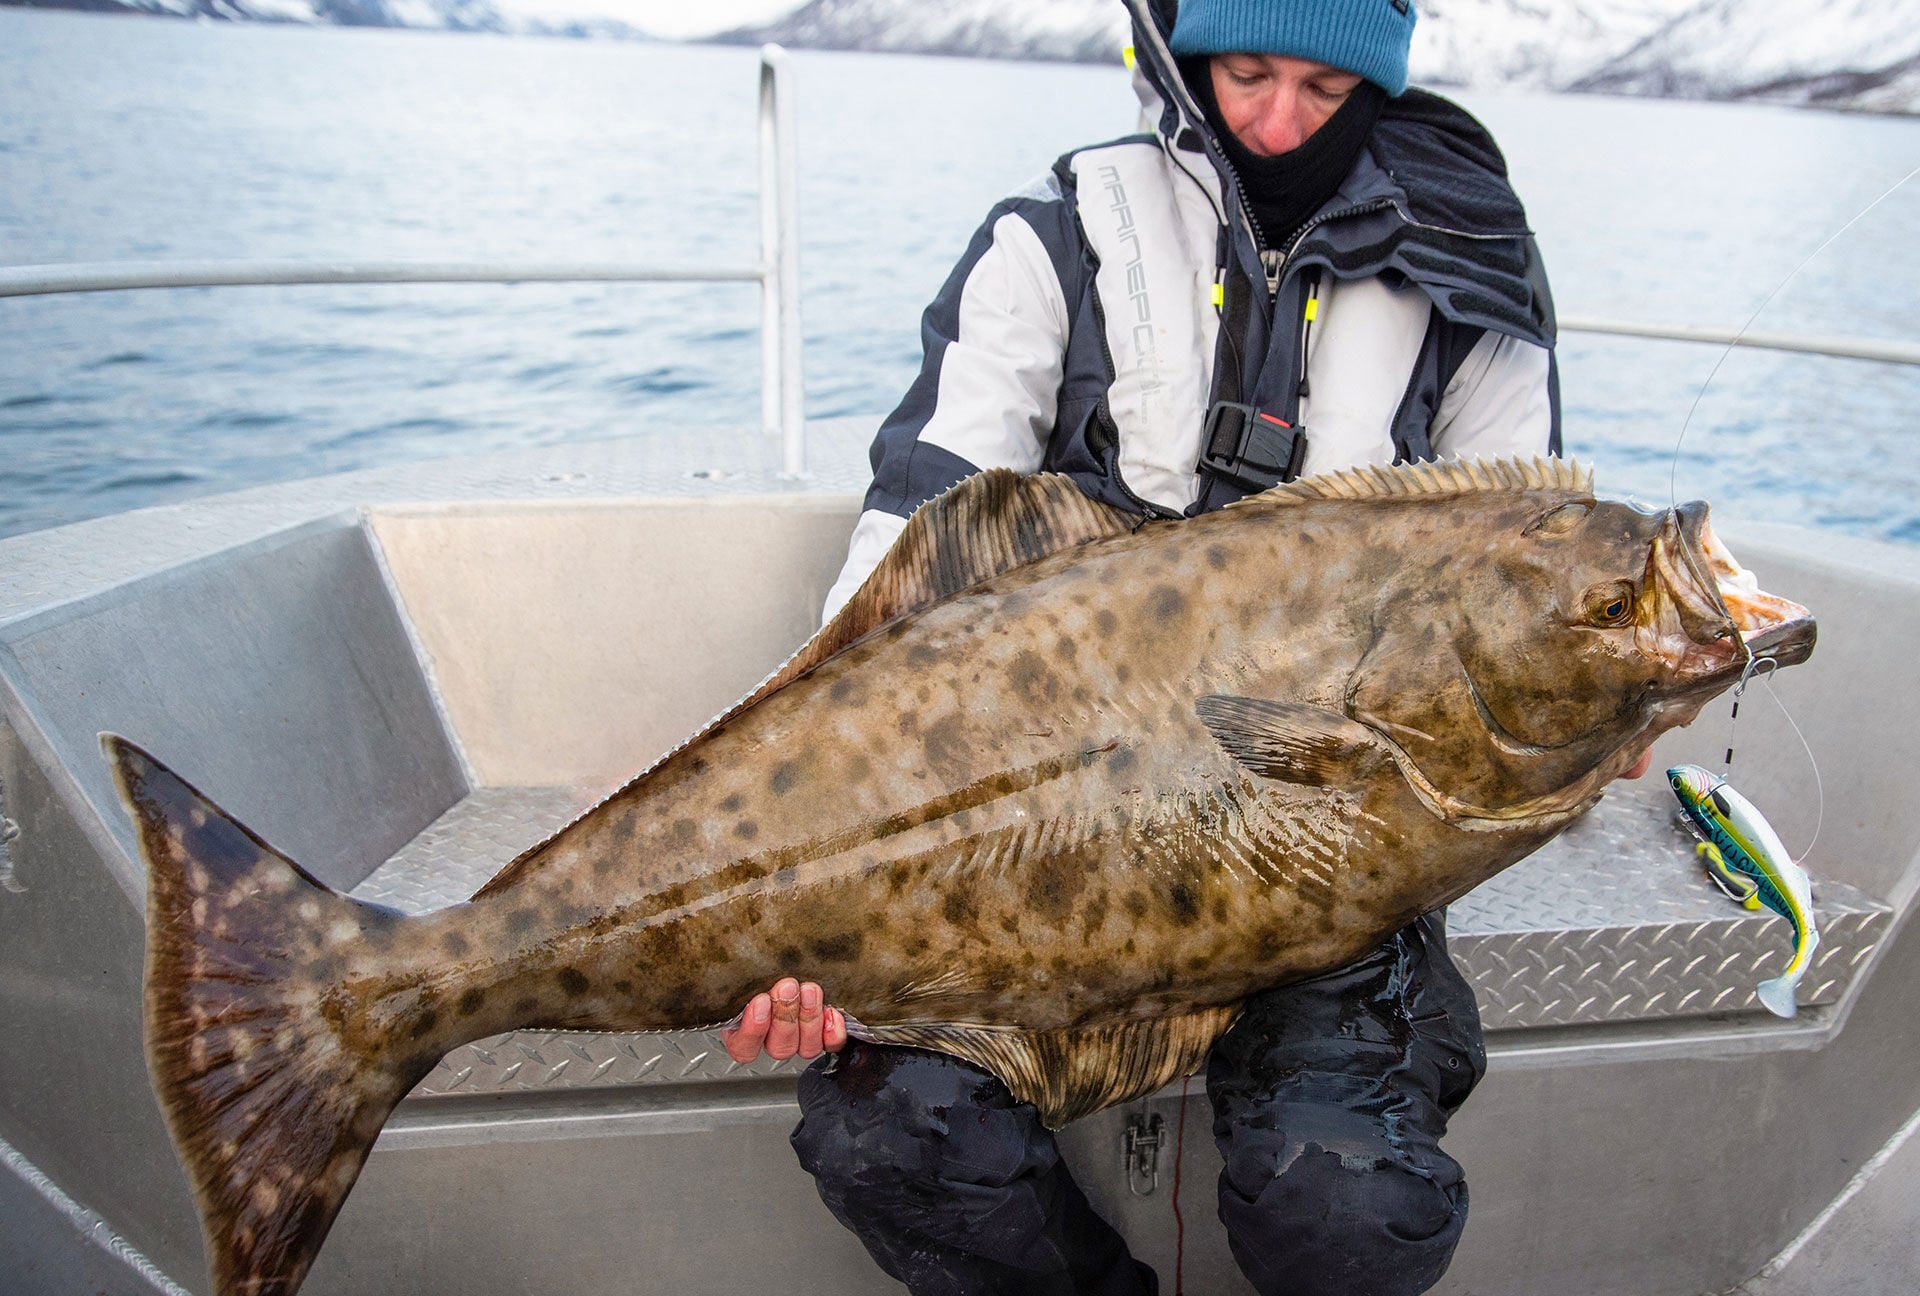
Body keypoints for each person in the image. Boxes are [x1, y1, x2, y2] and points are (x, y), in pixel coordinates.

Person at [722, 1, 1568, 1292]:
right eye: (1246, 71)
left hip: (1334, 878)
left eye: (1326, 90)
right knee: (888, 1131)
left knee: (1347, 1208)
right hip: (1050, 859)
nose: (1278, 123)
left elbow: (1539, 575)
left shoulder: (1473, 278)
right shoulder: (1047, 247)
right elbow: (904, 566)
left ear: (1384, 86)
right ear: (1184, 53)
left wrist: (1600, 706)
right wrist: (789, 882)